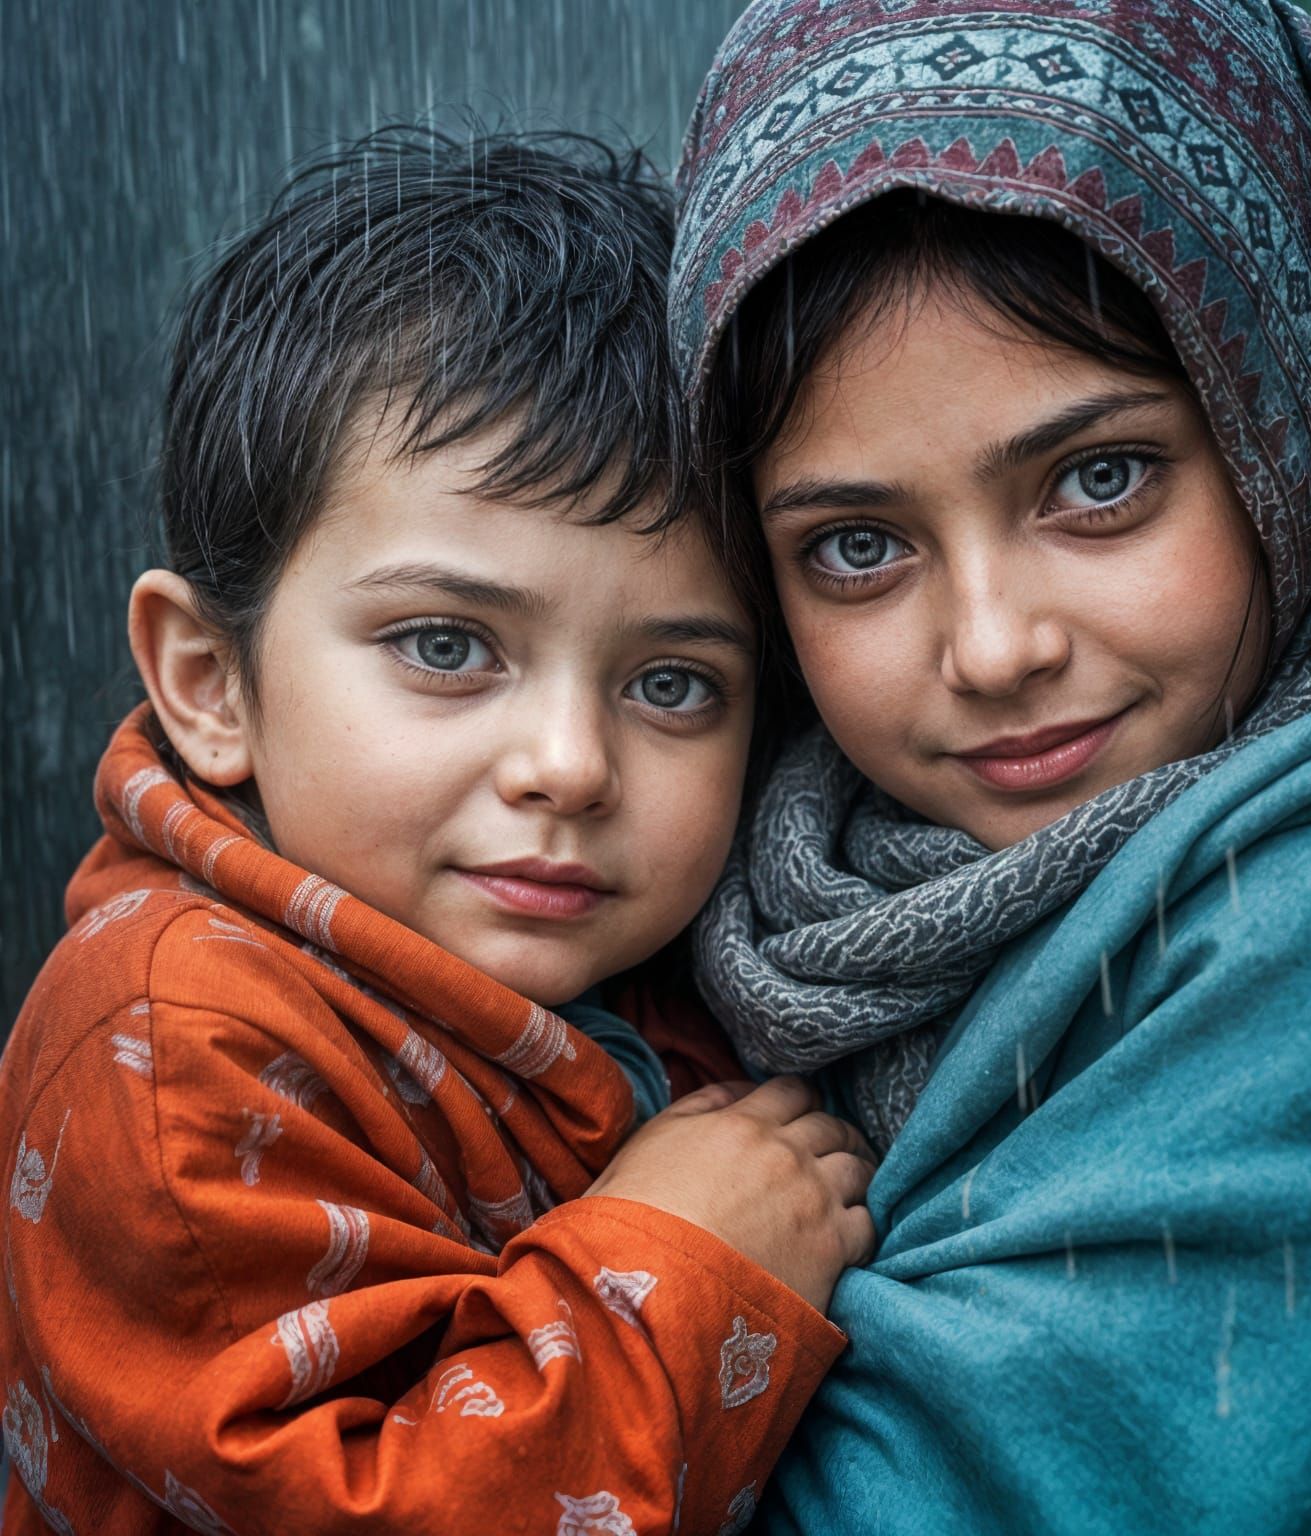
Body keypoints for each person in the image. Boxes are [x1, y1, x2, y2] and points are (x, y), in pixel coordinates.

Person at [671, 1, 1311, 1529]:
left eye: (1101, 479)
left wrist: (635, 1297)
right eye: (857, 548)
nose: (994, 647)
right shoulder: (719, 861)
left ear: (1305, 418)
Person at [0, 127, 876, 1535]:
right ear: (211, 685)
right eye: (447, 646)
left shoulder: (685, 958)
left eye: (672, 685)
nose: (570, 766)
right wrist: (687, 1261)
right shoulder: (172, 1044)